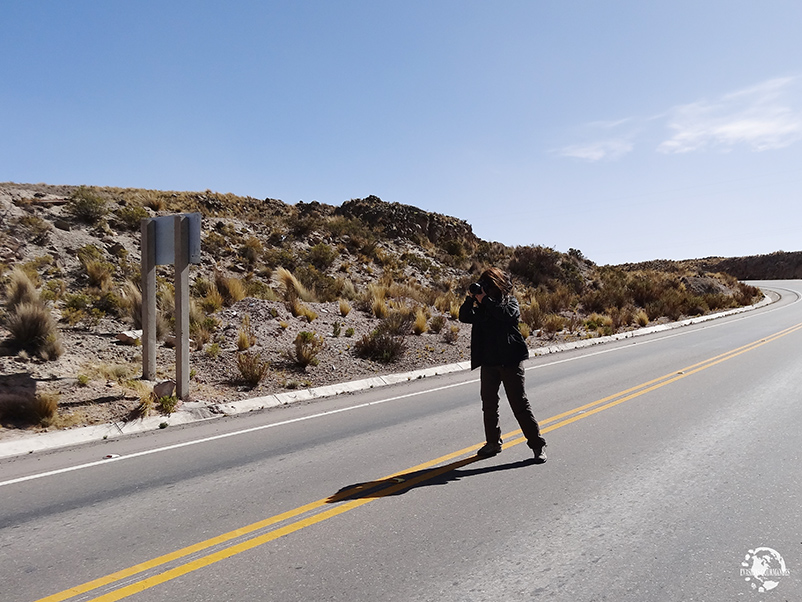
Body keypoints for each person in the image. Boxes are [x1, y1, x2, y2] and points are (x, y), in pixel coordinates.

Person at [458, 267, 547, 463]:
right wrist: (471, 297)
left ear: (498, 286)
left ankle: (537, 445)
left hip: (510, 361)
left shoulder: (510, 303)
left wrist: (485, 301)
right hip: (489, 363)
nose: (485, 289)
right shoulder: (481, 306)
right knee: (489, 405)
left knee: (519, 404)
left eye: (488, 285)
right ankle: (492, 443)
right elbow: (464, 316)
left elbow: (505, 316)